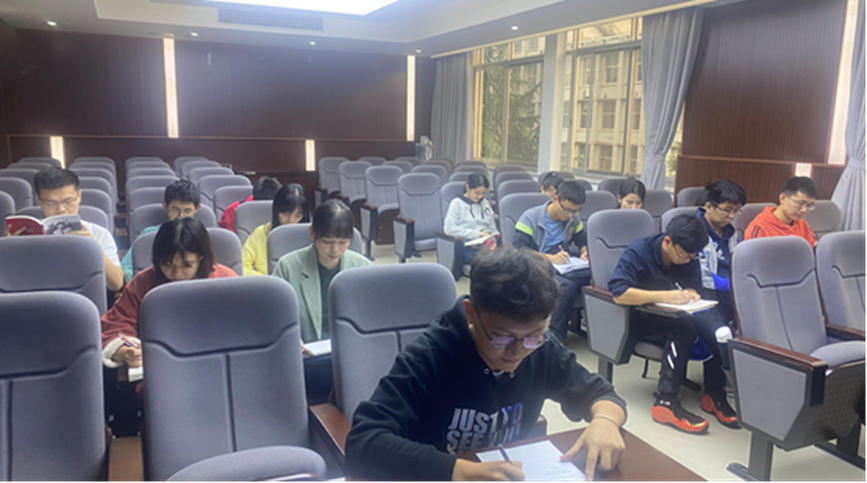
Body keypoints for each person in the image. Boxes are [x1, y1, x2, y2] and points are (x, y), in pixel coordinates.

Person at [346, 247, 627, 482]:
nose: (517, 352)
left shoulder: (542, 350)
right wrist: (456, 470)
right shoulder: (427, 358)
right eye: (502, 337)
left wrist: (605, 421)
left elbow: (602, 395)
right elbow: (363, 440)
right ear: (471, 313)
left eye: (533, 336)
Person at [609, 215, 736, 434]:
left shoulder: (690, 254)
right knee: (683, 331)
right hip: (643, 316)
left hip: (679, 312)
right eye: (684, 256)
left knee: (718, 330)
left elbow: (694, 286)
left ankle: (714, 394)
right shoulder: (638, 252)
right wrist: (666, 296)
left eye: (692, 257)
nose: (687, 261)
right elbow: (619, 293)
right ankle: (666, 401)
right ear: (668, 241)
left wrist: (692, 294)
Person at [101, 217, 237, 371]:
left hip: (218, 365)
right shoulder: (142, 283)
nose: (177, 273)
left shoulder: (226, 281)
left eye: (187, 265)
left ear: (201, 257)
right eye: (167, 264)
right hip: (161, 368)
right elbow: (115, 326)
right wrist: (126, 352)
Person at [272, 200, 371, 404]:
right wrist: (291, 341)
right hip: (307, 363)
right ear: (312, 233)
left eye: (343, 242)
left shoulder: (363, 268)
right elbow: (273, 320)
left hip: (353, 358)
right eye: (327, 241)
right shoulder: (288, 266)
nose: (335, 249)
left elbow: (374, 319)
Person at [3, 168, 123, 291]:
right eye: (51, 203)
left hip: (79, 298)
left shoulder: (98, 233)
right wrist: (7, 249)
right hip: (31, 294)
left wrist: (92, 247)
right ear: (40, 201)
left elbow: (117, 283)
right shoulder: (27, 231)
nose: (61, 209)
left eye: (68, 201)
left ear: (79, 197)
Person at [514, 180, 590, 341]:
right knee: (567, 286)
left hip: (563, 265)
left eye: (574, 211)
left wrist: (585, 252)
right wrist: (549, 258)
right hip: (537, 265)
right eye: (566, 209)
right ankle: (556, 335)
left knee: (595, 276)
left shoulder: (573, 219)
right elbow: (519, 249)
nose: (569, 215)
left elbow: (581, 240)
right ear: (555, 199)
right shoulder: (530, 217)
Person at [121, 179, 201, 282]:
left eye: (187, 211)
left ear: (197, 209)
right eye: (175, 210)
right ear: (165, 207)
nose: (181, 216)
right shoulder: (148, 234)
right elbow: (126, 268)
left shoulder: (201, 236)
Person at [697, 180, 747, 326]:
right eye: (727, 210)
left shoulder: (730, 232)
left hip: (732, 292)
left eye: (737, 210)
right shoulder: (695, 232)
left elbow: (740, 264)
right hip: (707, 295)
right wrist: (735, 286)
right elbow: (704, 277)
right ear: (709, 207)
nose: (732, 216)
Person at [242, 184, 309, 276]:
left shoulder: (309, 237)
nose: (291, 220)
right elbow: (242, 267)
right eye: (286, 213)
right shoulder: (261, 233)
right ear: (277, 210)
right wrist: (269, 280)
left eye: (298, 215)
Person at [745, 176, 818, 247]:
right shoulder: (759, 227)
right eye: (800, 203)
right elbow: (751, 254)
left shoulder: (802, 225)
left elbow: (813, 248)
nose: (804, 210)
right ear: (782, 198)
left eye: (809, 205)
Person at [443, 173, 499, 264]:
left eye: (483, 193)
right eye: (477, 193)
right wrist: (477, 234)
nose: (480, 197)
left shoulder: (485, 203)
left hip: (487, 244)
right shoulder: (457, 203)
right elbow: (448, 228)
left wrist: (495, 239)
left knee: (508, 258)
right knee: (491, 261)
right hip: (469, 246)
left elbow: (492, 227)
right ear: (467, 187)